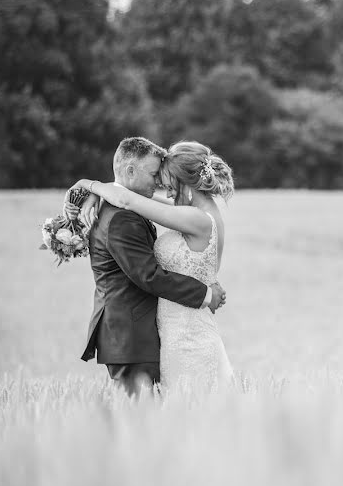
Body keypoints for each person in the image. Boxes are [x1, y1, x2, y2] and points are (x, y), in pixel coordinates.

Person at [68, 139, 234, 393]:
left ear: (186, 184)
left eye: (168, 185)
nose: (165, 192)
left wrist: (89, 185)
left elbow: (127, 201)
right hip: (172, 329)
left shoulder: (196, 218)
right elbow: (127, 196)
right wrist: (92, 189)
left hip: (187, 332)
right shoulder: (194, 210)